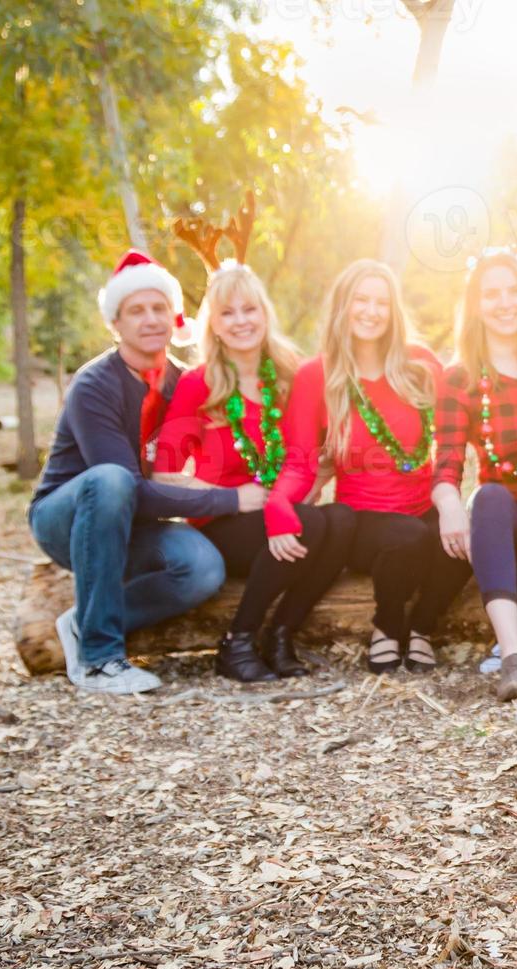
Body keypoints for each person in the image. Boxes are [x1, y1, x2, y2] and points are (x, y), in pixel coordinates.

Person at [29, 250, 263, 695]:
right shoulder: (95, 384)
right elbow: (129, 486)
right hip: (67, 520)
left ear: (175, 318)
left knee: (202, 567)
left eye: (160, 308)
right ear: (115, 323)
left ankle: (82, 622)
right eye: (137, 310)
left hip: (134, 522)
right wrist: (229, 499)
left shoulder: (182, 381)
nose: (151, 319)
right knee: (111, 480)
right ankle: (99, 658)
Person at [153, 263, 355, 682]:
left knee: (342, 519)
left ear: (265, 314)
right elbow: (164, 474)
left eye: (250, 309)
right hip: (222, 522)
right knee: (311, 521)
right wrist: (226, 496)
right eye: (228, 313)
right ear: (214, 325)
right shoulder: (199, 384)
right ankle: (237, 641)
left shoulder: (290, 375)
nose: (242, 321)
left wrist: (314, 480)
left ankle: (280, 637)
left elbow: (311, 458)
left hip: (290, 516)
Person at [274, 259, 472, 674]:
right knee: (407, 536)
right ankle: (387, 625)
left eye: (381, 302)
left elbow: (457, 430)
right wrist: (282, 507)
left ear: (393, 311)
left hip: (421, 505)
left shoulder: (419, 365)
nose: (371, 311)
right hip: (365, 522)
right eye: (360, 300)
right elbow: (299, 458)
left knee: (470, 540)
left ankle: (421, 627)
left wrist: (453, 501)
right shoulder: (318, 375)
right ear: (343, 307)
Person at [433, 249, 517, 701]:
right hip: (500, 514)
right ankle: (514, 657)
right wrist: (447, 503)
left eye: (513, 291)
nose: (504, 303)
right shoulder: (460, 376)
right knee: (488, 498)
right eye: (491, 294)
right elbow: (447, 455)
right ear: (476, 305)